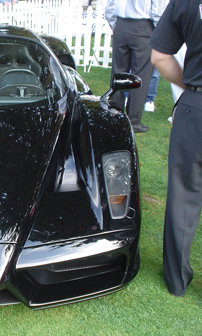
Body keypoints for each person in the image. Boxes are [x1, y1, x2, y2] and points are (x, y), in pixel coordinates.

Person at [149, 0, 202, 297]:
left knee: (183, 195)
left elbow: (160, 56)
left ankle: (177, 281)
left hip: (196, 106)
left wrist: (192, 87)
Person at [105, 0, 167, 133]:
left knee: (118, 71)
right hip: (143, 27)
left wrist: (116, 26)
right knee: (141, 75)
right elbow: (158, 12)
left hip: (121, 25)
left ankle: (114, 113)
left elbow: (110, 7)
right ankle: (133, 121)